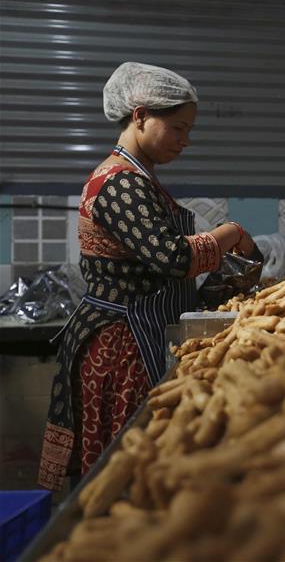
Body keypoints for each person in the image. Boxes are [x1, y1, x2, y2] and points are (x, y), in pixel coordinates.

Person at [38, 62, 256, 490]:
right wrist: (228, 233)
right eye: (177, 127)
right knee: (125, 466)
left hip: (143, 332)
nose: (184, 141)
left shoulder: (140, 178)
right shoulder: (119, 183)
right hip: (121, 345)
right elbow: (172, 257)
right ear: (139, 116)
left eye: (188, 130)